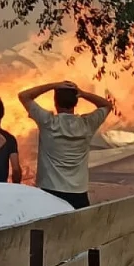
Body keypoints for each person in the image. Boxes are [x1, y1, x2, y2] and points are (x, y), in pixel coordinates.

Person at [18, 80, 113, 208]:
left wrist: (53, 85)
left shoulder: (48, 122)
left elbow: (24, 96)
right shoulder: (87, 124)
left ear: (55, 102)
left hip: (49, 192)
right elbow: (107, 105)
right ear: (76, 102)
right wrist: (83, 93)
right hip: (78, 193)